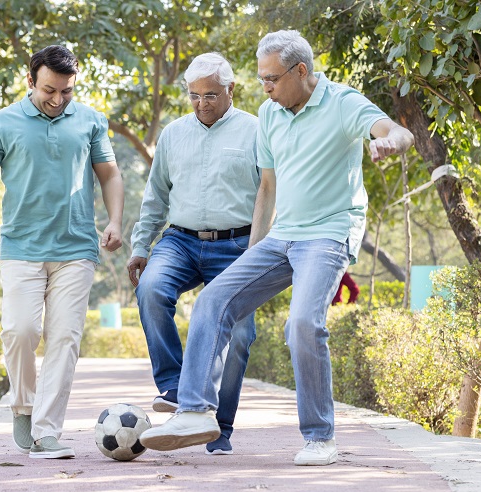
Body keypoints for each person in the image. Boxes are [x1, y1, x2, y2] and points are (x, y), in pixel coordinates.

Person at [139, 30, 414, 466]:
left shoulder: (343, 103)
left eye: (271, 79)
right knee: (213, 301)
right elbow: (266, 188)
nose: (264, 88)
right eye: (262, 79)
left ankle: (320, 436)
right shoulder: (270, 114)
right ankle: (193, 412)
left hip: (327, 234)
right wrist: (250, 255)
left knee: (303, 323)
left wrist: (387, 143)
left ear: (300, 71)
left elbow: (397, 131)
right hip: (281, 236)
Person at [0, 45, 124, 459]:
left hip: (76, 246)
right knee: (20, 330)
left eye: (66, 91)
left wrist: (115, 220)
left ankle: (47, 431)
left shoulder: (90, 121)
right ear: (30, 81)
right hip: (21, 246)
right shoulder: (3, 123)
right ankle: (23, 406)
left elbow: (110, 174)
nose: (58, 99)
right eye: (49, 90)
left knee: (64, 338)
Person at [127, 52, 260, 455]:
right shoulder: (173, 134)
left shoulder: (257, 130)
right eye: (195, 95)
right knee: (150, 288)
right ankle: (175, 383)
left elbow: (272, 194)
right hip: (181, 240)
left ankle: (219, 428)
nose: (202, 102)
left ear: (231, 90)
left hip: (239, 244)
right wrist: (140, 245)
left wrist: (263, 248)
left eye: (211, 95)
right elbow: (155, 197)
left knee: (239, 335)